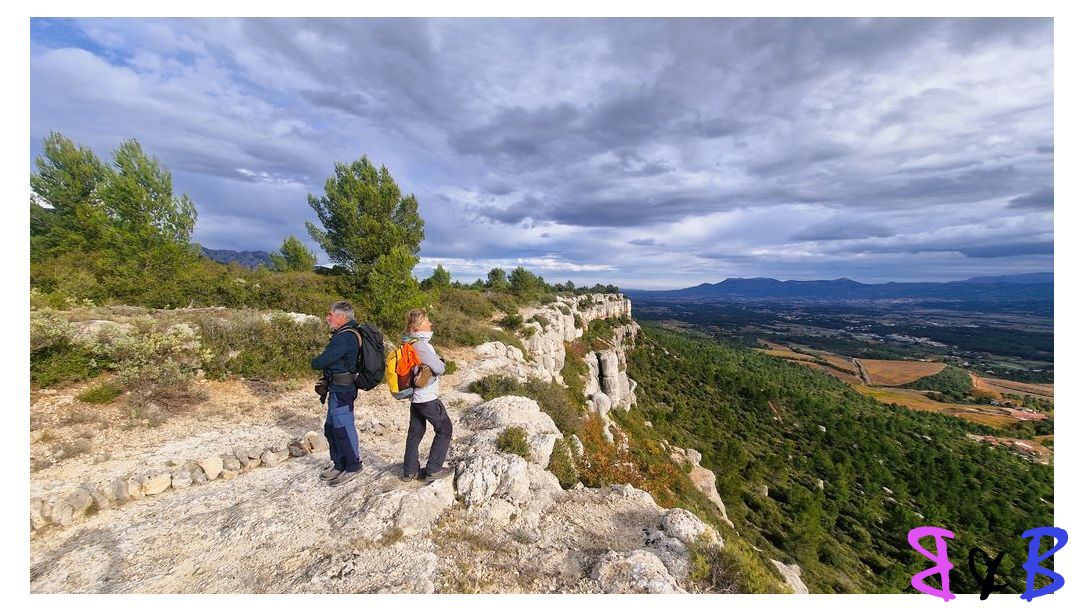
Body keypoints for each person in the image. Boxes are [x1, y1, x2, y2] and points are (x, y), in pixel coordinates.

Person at [311, 300, 364, 487]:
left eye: (330, 315)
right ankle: (339, 463)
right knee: (332, 427)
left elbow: (321, 361)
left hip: (342, 390)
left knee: (342, 428)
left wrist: (314, 360)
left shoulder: (343, 337)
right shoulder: (348, 333)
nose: (327, 318)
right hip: (339, 389)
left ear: (341, 317)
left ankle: (353, 466)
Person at [400, 309, 453, 483]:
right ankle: (434, 470)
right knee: (445, 429)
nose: (430, 324)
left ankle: (410, 471)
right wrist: (439, 362)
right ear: (417, 326)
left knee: (415, 433)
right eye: (427, 321)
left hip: (416, 399)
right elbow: (440, 368)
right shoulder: (420, 345)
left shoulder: (408, 343)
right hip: (427, 398)